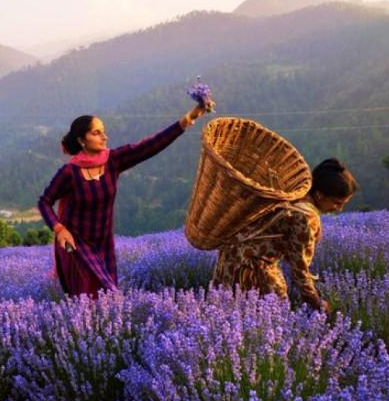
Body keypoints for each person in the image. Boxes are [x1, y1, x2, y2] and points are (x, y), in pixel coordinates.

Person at [39, 102, 211, 297]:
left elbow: (151, 145)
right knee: (92, 297)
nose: (104, 136)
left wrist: (190, 117)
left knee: (107, 296)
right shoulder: (70, 172)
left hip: (103, 244)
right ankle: (86, 328)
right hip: (77, 245)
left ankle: (99, 328)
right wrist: (59, 229)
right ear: (81, 140)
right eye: (96, 133)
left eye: (103, 131)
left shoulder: (112, 160)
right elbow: (44, 201)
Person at [211, 158, 359, 312]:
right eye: (336, 202)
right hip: (251, 269)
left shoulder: (293, 196)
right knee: (270, 314)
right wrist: (316, 301)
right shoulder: (307, 216)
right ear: (320, 195)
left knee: (230, 312)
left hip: (230, 258)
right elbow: (299, 267)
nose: (339, 209)